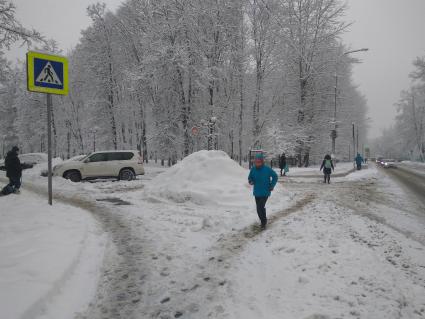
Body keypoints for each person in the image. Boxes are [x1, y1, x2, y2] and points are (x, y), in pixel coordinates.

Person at [248, 153, 278, 230]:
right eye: (256, 161)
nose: (257, 163)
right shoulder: (253, 169)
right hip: (257, 192)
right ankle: (263, 220)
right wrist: (250, 181)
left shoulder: (267, 169)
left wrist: (271, 185)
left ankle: (263, 222)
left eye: (259, 161)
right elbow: (250, 177)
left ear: (262, 161)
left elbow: (275, 176)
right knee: (259, 208)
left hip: (265, 191)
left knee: (260, 206)